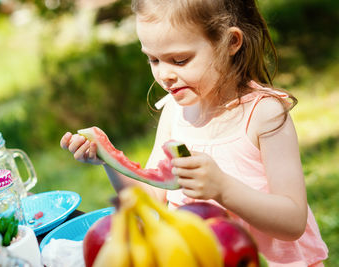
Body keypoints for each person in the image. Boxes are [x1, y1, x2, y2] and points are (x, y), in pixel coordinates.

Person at [60, 0, 328, 265]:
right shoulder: (174, 113)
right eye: (153, 59)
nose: (164, 74)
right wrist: (107, 161)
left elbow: (293, 221)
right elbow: (151, 196)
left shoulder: (264, 114)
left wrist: (223, 189)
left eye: (179, 60)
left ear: (231, 42)